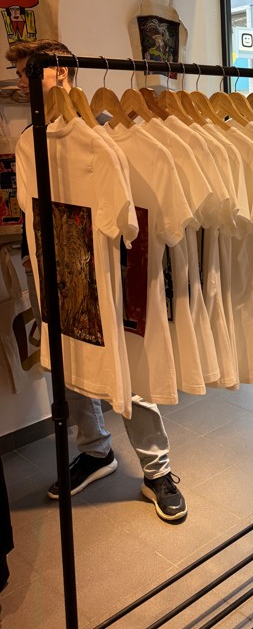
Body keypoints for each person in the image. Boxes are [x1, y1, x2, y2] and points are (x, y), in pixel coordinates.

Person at [7, 39, 187, 522]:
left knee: (128, 369)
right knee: (67, 364)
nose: (22, 82)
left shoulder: (109, 133)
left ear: (62, 73)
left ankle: (157, 470)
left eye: (29, 72)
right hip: (53, 269)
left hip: (110, 273)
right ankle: (95, 450)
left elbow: (133, 220)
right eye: (20, 73)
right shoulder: (32, 139)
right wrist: (32, 261)